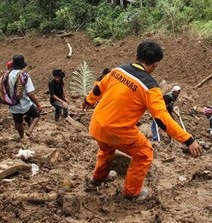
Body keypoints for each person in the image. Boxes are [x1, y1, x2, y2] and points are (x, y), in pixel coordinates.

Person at [82, 40, 202, 200]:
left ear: (136, 55)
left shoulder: (118, 70)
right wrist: (188, 139)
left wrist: (89, 100)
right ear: (156, 64)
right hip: (118, 131)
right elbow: (161, 118)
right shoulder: (150, 87)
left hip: (97, 124)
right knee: (144, 153)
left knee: (106, 149)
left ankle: (97, 178)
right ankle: (131, 193)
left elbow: (99, 87)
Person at [7, 54, 41, 139]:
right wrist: (38, 104)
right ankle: (29, 131)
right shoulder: (24, 76)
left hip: (13, 105)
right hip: (25, 104)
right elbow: (30, 93)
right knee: (36, 116)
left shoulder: (7, 75)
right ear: (22, 65)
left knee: (18, 122)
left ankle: (22, 138)